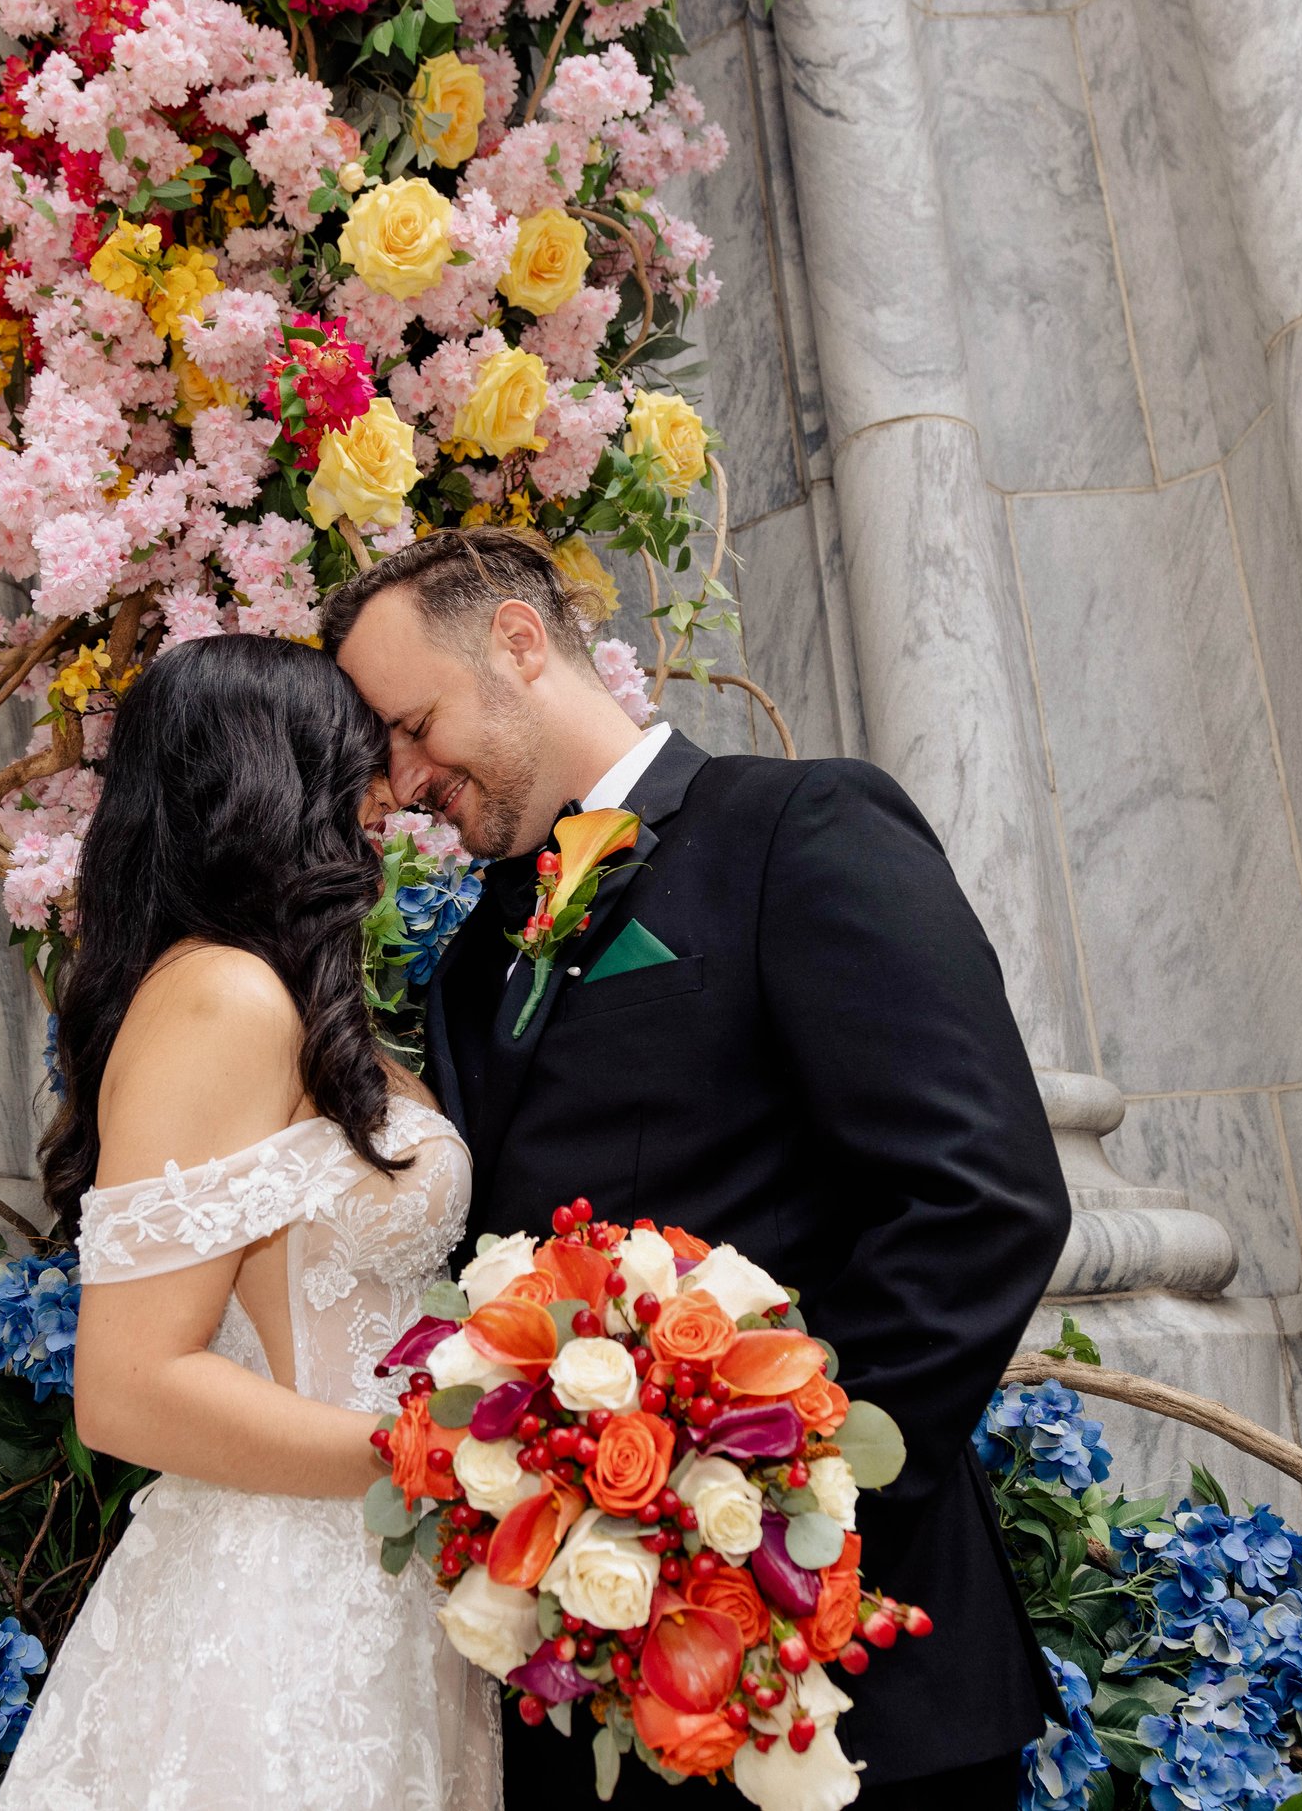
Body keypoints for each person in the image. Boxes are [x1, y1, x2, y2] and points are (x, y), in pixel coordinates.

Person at [325, 527, 1073, 1811]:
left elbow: (977, 1195)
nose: (401, 779)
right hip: (594, 1690)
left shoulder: (799, 827)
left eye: (412, 724)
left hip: (849, 1665)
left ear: (516, 642)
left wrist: (769, 1495)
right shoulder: (466, 964)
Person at [0, 634, 499, 1811]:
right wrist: (433, 1460)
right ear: (277, 775)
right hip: (273, 1601)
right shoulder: (222, 995)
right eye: (358, 755)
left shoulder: (298, 1003)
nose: (389, 788)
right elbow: (128, 1384)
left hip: (382, 1581)